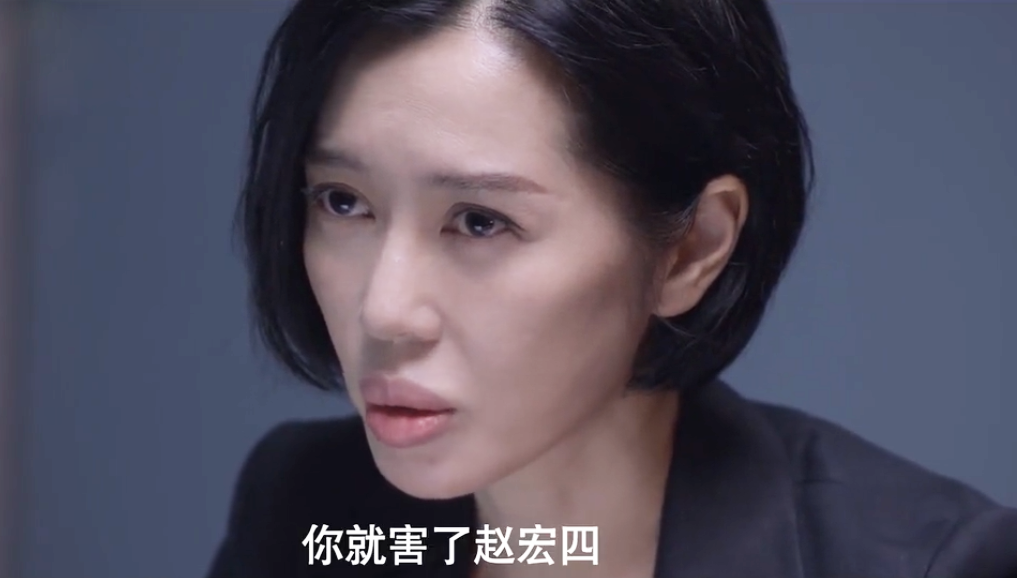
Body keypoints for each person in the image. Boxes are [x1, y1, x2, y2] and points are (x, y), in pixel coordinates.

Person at [206, 0, 1017, 576]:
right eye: (344, 203)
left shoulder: (928, 563)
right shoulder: (307, 508)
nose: (384, 311)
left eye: (480, 222)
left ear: (690, 250)